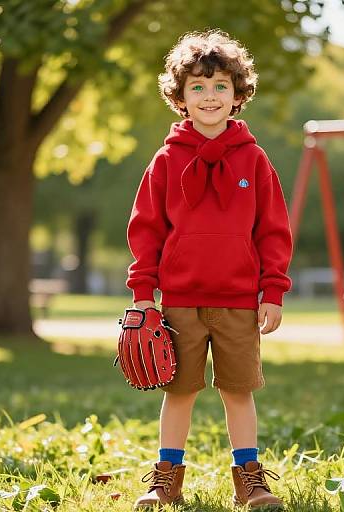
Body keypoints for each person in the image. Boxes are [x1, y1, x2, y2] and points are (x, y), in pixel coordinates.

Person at [125, 29, 293, 510]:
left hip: (240, 299)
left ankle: (250, 480)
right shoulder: (165, 161)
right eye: (197, 87)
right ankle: (166, 480)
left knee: (238, 393)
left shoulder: (255, 160)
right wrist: (143, 290)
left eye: (220, 85)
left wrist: (272, 291)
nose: (209, 96)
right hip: (179, 299)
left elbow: (273, 231)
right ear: (179, 97)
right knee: (179, 393)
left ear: (239, 95)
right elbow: (147, 229)